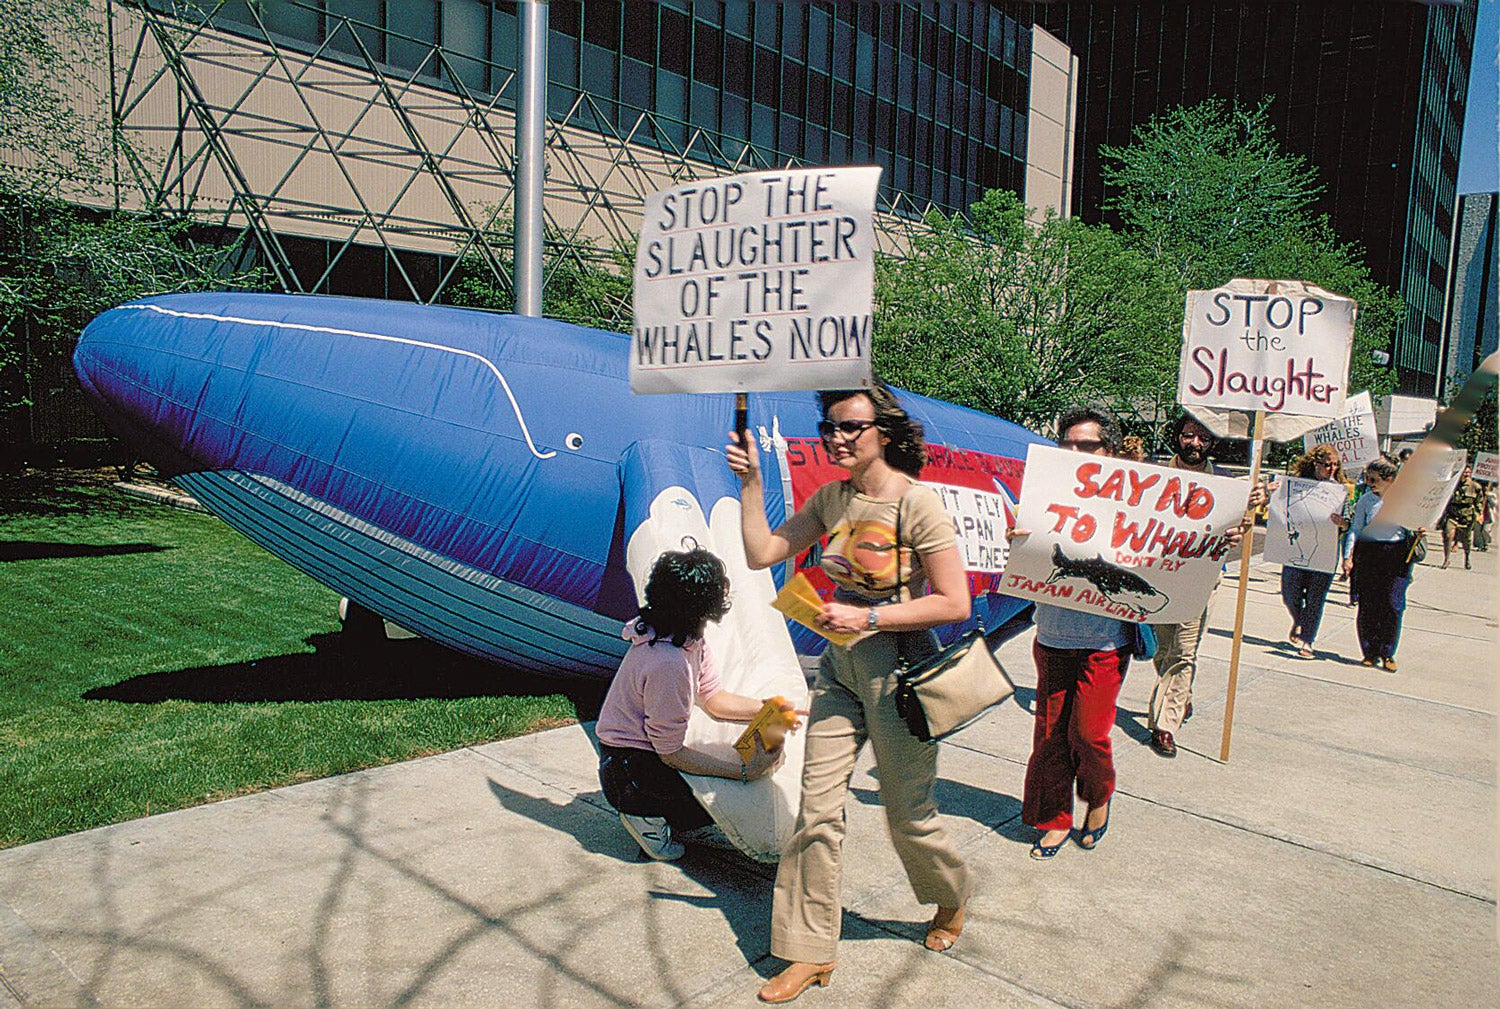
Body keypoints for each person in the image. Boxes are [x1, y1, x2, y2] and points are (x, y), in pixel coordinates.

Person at [725, 381, 974, 1004]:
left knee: (909, 818)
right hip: (840, 673)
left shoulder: (919, 506)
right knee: (816, 812)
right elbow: (763, 553)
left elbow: (954, 601)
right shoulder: (832, 497)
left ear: (882, 434)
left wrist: (868, 618)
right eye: (830, 426)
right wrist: (752, 483)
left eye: (850, 427)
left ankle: (950, 897)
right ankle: (808, 953)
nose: (837, 437)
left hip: (897, 677)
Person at [596, 547, 790, 862]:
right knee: (721, 802)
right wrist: (741, 772)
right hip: (631, 772)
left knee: (726, 783)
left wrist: (768, 708)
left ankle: (671, 811)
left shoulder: (684, 637)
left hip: (642, 759)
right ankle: (645, 815)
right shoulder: (668, 663)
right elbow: (670, 753)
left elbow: (711, 699)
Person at [1012, 405, 1134, 857]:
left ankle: (1098, 798)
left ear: (1112, 452)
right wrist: (1015, 539)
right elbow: (1020, 558)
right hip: (1054, 636)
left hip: (1105, 641)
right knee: (1050, 736)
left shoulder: (1136, 503)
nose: (1076, 452)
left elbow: (1180, 549)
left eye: (1088, 445)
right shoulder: (1042, 494)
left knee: (1089, 735)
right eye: (1068, 444)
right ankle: (1054, 818)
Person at [1143, 414, 1266, 758]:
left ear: (1212, 444)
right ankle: (1182, 697)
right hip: (1157, 575)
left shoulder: (1228, 485)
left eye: (1203, 438)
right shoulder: (1154, 476)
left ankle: (1165, 725)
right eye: (1188, 435)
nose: (1194, 443)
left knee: (1184, 651)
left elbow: (1239, 527)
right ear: (1178, 437)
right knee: (1163, 649)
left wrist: (1244, 517)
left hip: (1201, 578)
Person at [1342, 456, 1422, 672]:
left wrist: (1419, 531)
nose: (1369, 483)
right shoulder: (1366, 501)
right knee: (1369, 604)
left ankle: (1388, 652)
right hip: (1370, 553)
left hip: (1396, 555)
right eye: (1367, 478)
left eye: (1374, 479)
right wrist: (1348, 556)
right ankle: (1369, 651)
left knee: (1393, 605)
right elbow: (1355, 529)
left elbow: (1414, 526)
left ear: (1389, 479)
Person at [1279, 445, 1353, 660]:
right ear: (1315, 464)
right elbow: (1281, 509)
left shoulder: (1340, 491)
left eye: (1334, 465)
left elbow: (1349, 524)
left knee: (1315, 598)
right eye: (1326, 464)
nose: (1331, 469)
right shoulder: (1297, 486)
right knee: (1289, 592)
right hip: (1297, 547)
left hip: (1325, 551)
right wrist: (1274, 491)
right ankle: (1300, 621)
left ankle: (1307, 641)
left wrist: (1343, 523)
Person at [1439, 464, 1483, 569]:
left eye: (1468, 472)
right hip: (1452, 514)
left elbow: (1479, 502)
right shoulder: (1452, 485)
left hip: (1466, 516)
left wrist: (1479, 514)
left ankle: (1467, 558)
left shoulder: (1475, 486)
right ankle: (1446, 559)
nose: (1466, 474)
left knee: (1466, 540)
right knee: (1448, 536)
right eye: (1464, 472)